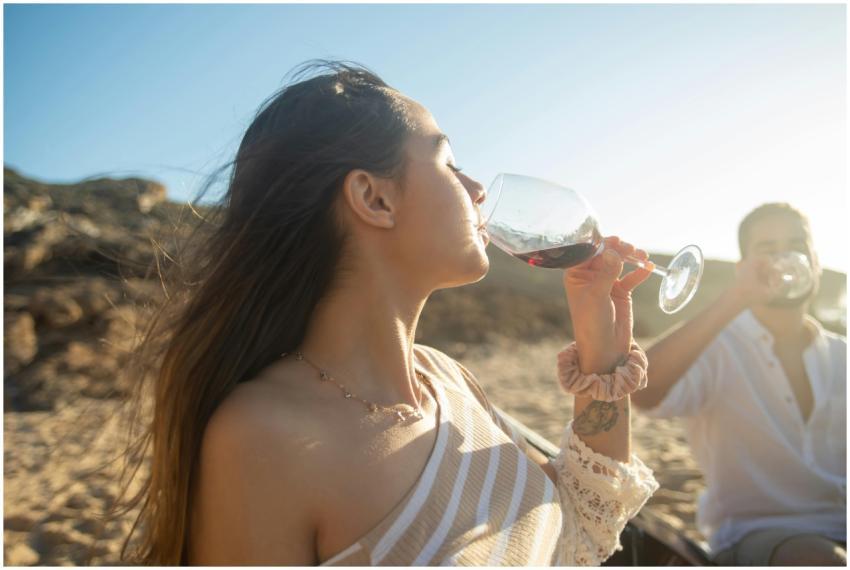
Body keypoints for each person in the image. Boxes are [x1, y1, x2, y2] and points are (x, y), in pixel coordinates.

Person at [109, 60, 660, 565]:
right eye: (450, 163)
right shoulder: (262, 437)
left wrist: (599, 339)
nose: (476, 190)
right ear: (374, 199)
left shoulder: (445, 378)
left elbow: (581, 528)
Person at [631, 203, 847, 565]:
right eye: (768, 248)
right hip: (759, 536)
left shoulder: (843, 354)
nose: (786, 257)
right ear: (744, 268)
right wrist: (736, 298)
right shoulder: (717, 348)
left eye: (797, 244)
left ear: (816, 260)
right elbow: (641, 392)